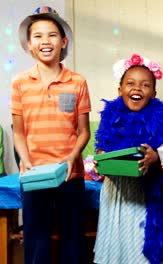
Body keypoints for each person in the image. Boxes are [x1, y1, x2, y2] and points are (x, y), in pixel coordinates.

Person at [10, 6, 91, 263]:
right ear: (29, 44)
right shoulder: (19, 82)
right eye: (38, 36)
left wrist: (71, 157)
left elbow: (84, 131)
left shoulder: (77, 81)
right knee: (36, 241)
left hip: (70, 174)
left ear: (63, 41)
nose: (46, 41)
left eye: (52, 35)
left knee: (73, 240)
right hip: (34, 174)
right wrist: (26, 161)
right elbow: (19, 133)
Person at [93, 53, 163, 264]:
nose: (137, 88)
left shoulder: (161, 120)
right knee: (117, 249)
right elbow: (102, 148)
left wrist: (155, 157)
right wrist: (101, 159)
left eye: (145, 85)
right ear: (120, 90)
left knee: (141, 252)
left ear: (154, 93)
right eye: (130, 83)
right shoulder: (111, 117)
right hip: (116, 193)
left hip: (145, 195)